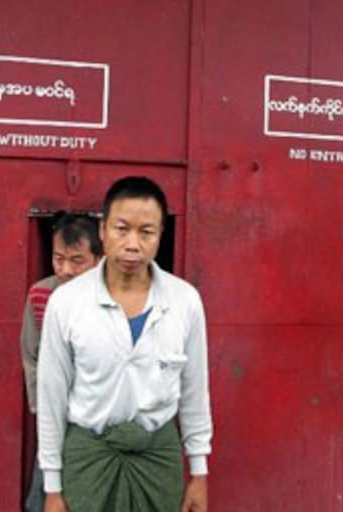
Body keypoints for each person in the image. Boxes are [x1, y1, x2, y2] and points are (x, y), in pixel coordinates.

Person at [37, 176, 213, 512]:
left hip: (158, 462)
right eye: (121, 228)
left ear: (161, 235)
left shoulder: (185, 301)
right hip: (89, 461)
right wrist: (53, 487)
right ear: (103, 230)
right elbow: (51, 396)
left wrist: (199, 473)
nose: (133, 244)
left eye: (146, 232)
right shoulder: (68, 302)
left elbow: (194, 392)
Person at [20, 213, 103, 512]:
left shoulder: (113, 298)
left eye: (77, 260)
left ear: (98, 257)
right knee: (46, 485)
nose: (66, 269)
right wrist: (40, 401)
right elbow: (30, 353)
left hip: (96, 415)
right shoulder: (41, 294)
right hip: (53, 408)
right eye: (58, 259)